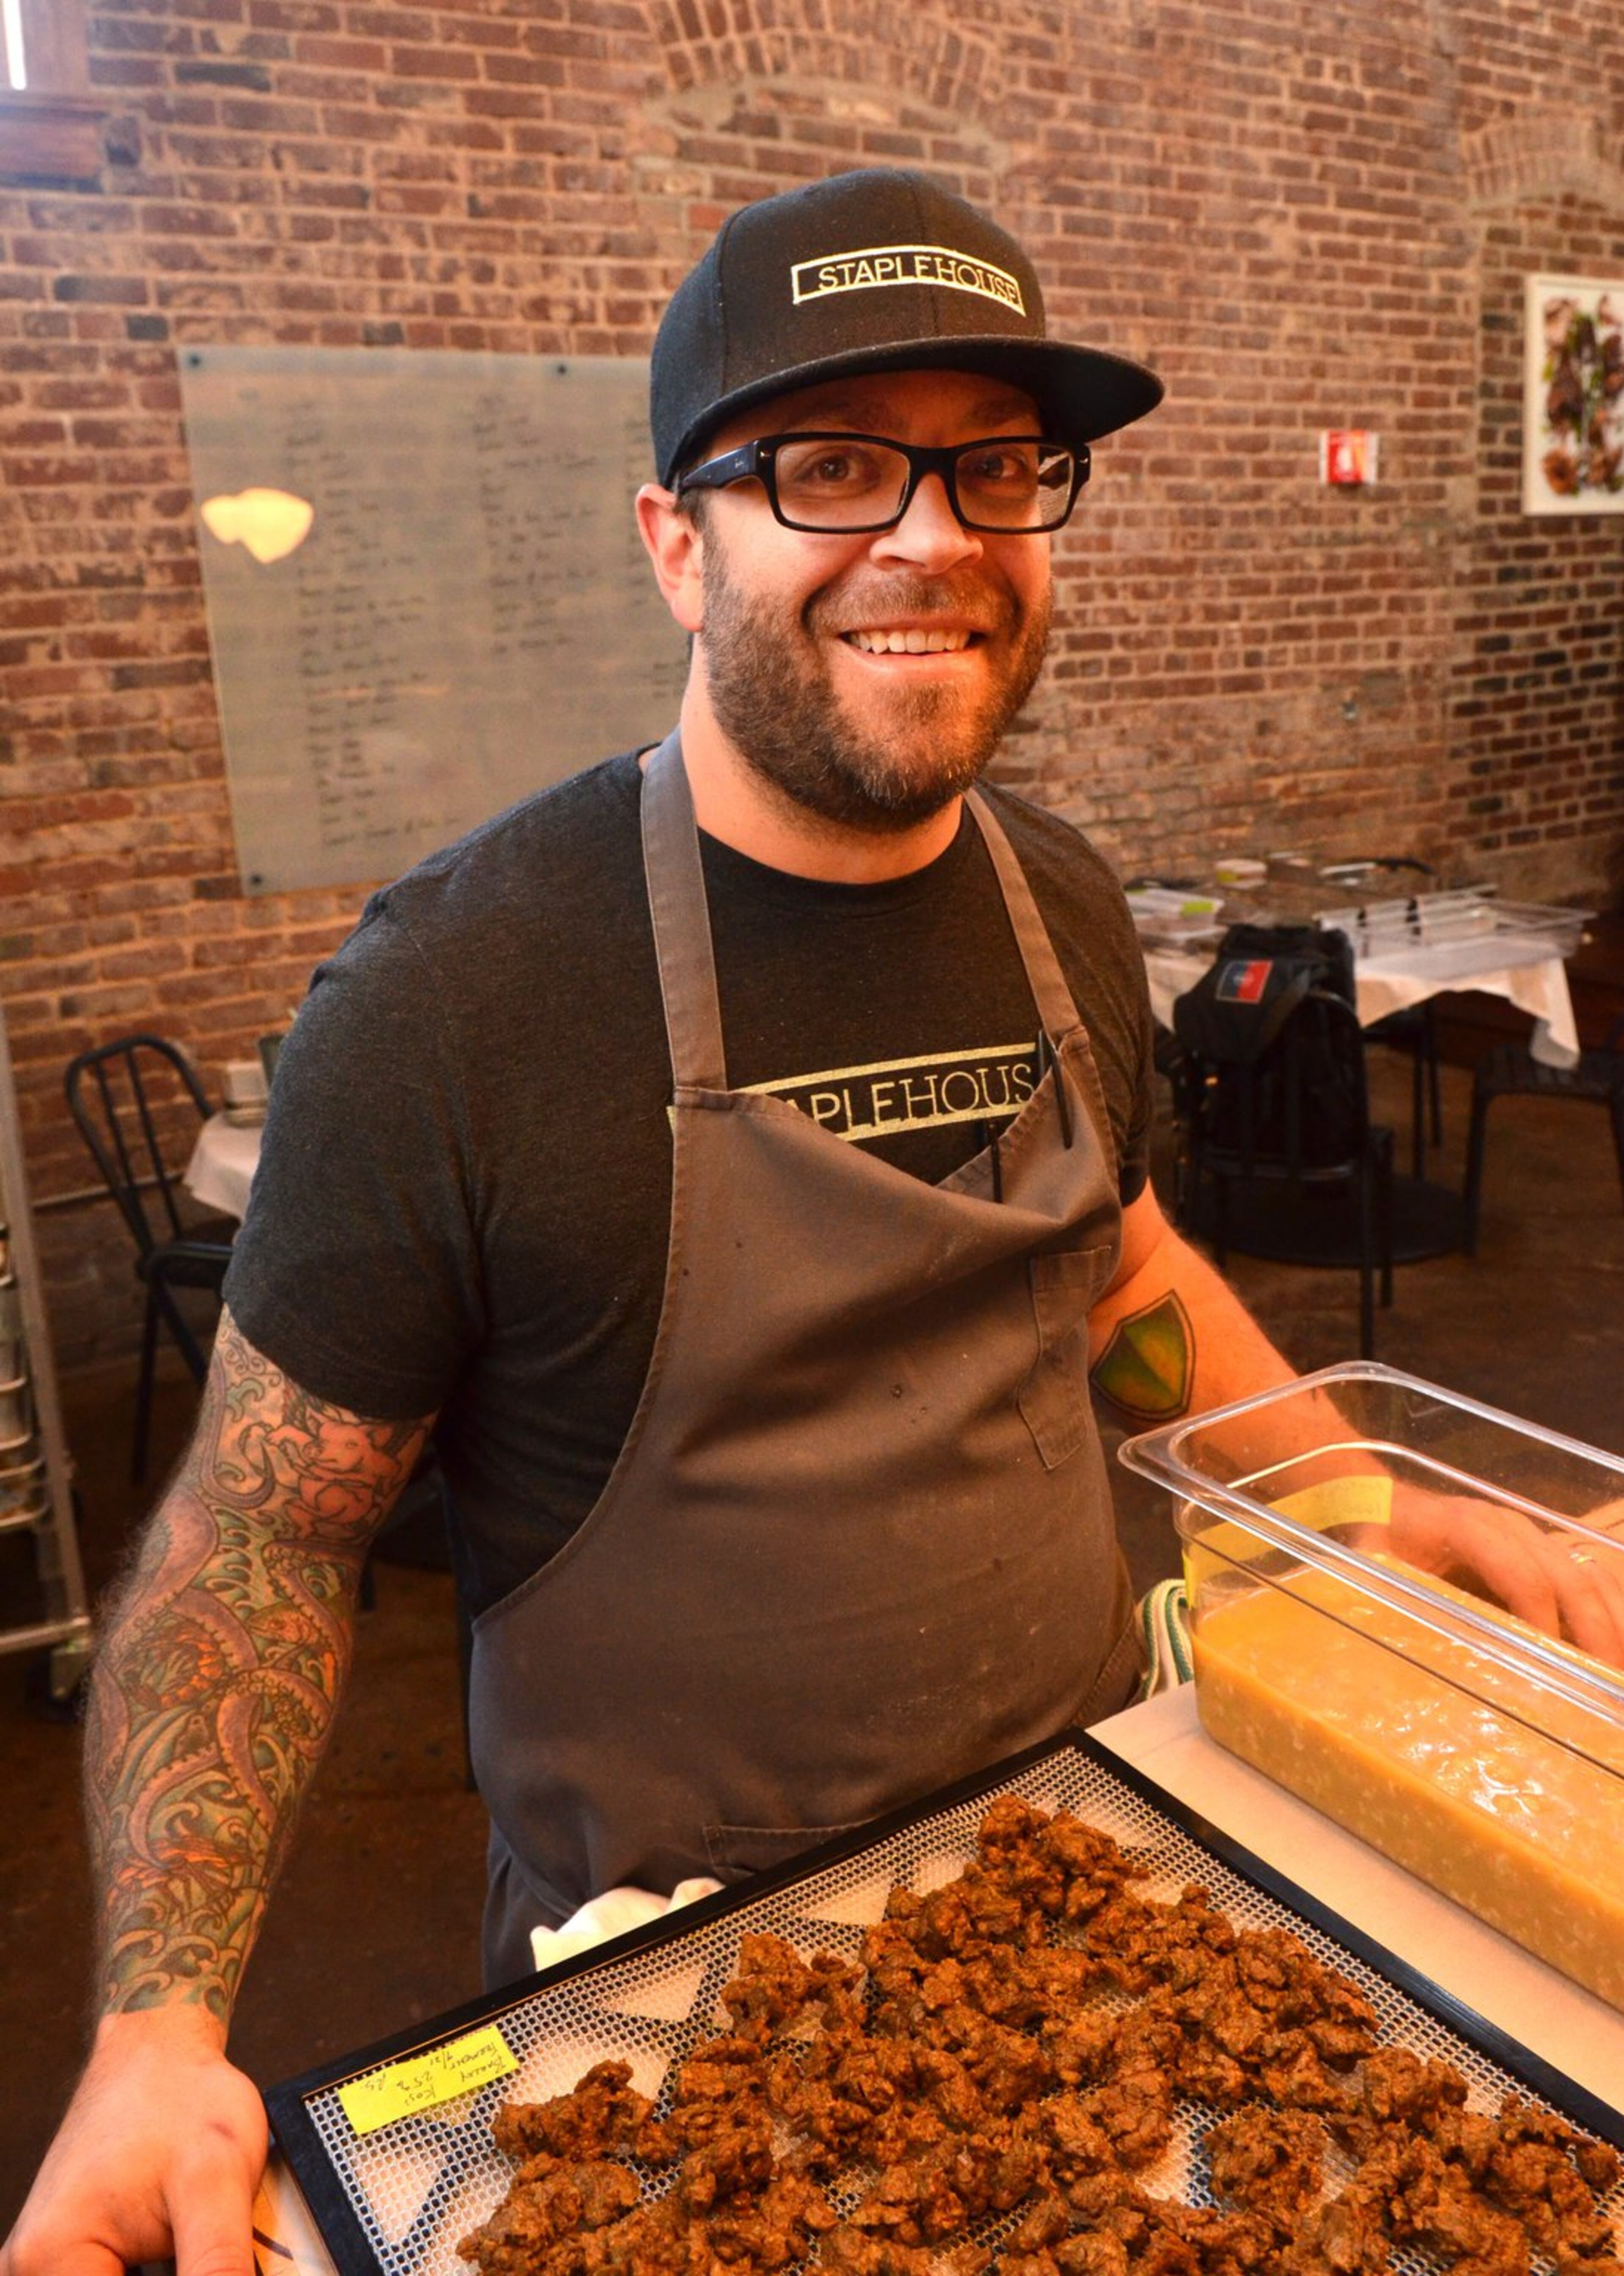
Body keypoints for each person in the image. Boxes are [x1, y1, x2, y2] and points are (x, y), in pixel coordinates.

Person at [8, 167, 1623, 2276]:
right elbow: (263, 1530)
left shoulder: (1053, 902)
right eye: (832, 468)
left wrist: (1353, 1499)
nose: (932, 536)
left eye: (994, 468)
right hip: (685, 2024)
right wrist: (154, 2025)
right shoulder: (454, 1001)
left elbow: (1116, 1272)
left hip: (1103, 1887)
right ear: (678, 542)